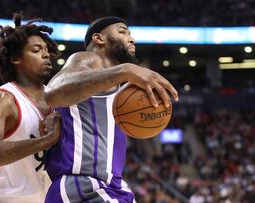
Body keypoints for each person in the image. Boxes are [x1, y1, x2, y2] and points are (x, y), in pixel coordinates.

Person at [44, 16, 179, 202]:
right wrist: (125, 70)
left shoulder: (119, 87)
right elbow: (52, 94)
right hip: (82, 186)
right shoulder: (87, 59)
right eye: (122, 32)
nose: (131, 39)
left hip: (111, 186)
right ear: (99, 39)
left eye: (130, 34)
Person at [0, 13, 61, 203]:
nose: (46, 54)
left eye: (47, 49)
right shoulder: (4, 99)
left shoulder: (59, 100)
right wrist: (47, 141)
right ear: (16, 59)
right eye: (36, 49)